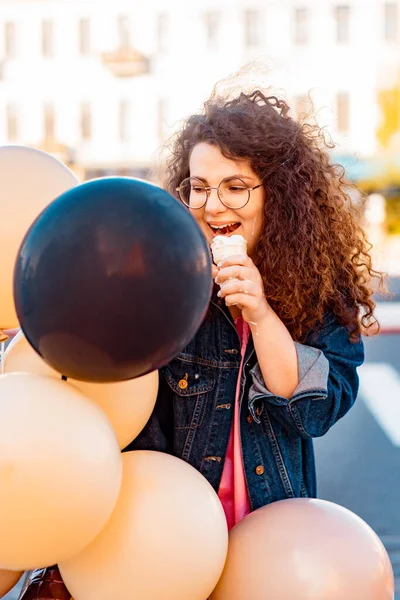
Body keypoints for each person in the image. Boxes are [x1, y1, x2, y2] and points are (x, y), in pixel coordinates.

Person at [125, 87, 385, 530]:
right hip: (172, 533)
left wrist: (261, 314)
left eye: (236, 187)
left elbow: (314, 413)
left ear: (279, 196)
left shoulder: (322, 288)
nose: (212, 205)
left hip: (270, 533)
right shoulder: (165, 282)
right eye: (199, 188)